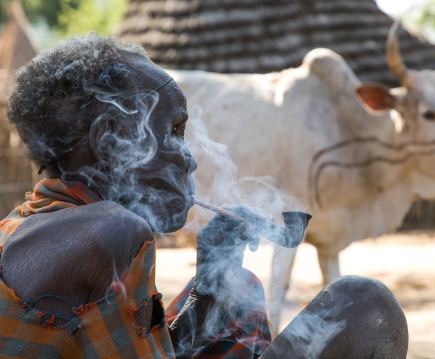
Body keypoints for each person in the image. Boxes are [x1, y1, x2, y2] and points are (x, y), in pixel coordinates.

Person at [0, 34, 408, 358]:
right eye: (174, 132)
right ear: (110, 141)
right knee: (364, 304)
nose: (189, 159)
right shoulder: (117, 232)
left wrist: (213, 281)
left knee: (237, 291)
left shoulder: (25, 222)